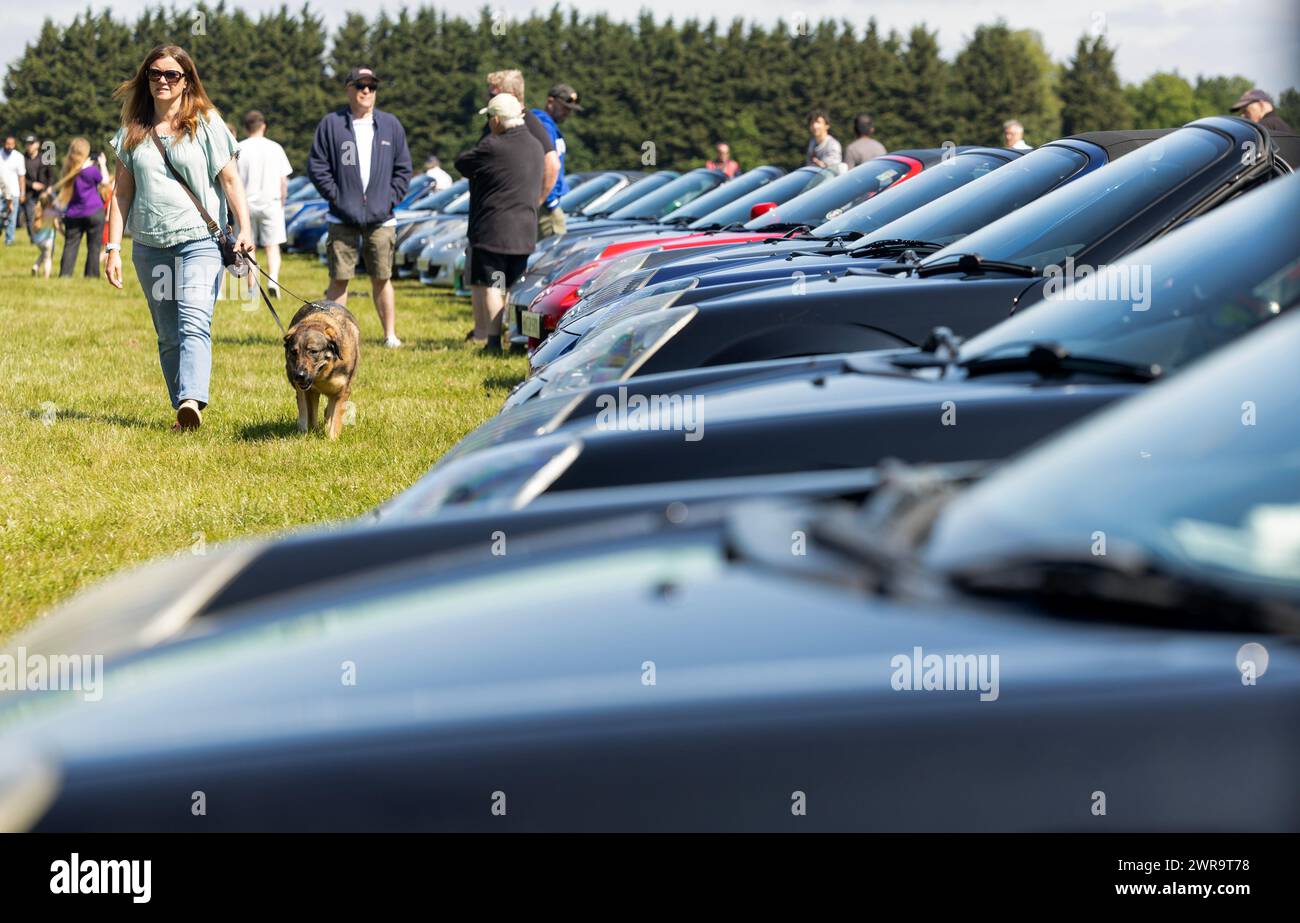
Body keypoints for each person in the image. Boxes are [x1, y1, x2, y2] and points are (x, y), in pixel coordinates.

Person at [104, 43, 254, 432]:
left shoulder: (206, 123)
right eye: (155, 74)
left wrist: (246, 228)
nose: (163, 81)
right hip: (150, 246)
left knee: (193, 320)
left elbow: (231, 180)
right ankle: (183, 411)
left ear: (187, 81)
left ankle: (192, 399)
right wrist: (112, 248)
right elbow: (121, 194)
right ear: (146, 79)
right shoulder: (132, 132)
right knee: (169, 335)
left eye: (172, 75)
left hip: (198, 241)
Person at [308, 66, 413, 348]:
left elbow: (403, 170)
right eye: (360, 85)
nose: (367, 91)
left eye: (372, 86)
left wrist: (388, 200)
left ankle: (390, 335)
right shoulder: (332, 124)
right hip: (341, 217)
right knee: (340, 278)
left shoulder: (391, 125)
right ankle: (334, 335)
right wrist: (338, 198)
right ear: (349, 89)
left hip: (382, 218)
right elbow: (317, 167)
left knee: (382, 277)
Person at [455, 92, 544, 354]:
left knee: (494, 285)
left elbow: (461, 162)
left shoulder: (493, 146)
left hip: (493, 230)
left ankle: (493, 341)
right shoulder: (536, 146)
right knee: (515, 287)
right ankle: (518, 340)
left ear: (496, 119)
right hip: (525, 231)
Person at [237, 109, 293, 298]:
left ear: (246, 128)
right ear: (264, 126)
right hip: (271, 203)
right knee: (272, 245)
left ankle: (252, 287)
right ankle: (273, 279)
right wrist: (282, 202)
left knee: (248, 246)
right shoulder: (275, 148)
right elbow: (283, 180)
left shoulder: (239, 148)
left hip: (245, 204)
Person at [485, 69, 558, 208]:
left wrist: (538, 201)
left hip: (519, 213)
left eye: (492, 95)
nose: (488, 99)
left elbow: (552, 164)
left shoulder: (528, 122)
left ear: (511, 96)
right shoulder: (496, 120)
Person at [532, 82, 582, 238]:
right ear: (550, 102)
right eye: (564, 108)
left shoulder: (549, 127)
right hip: (547, 206)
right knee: (554, 257)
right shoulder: (544, 127)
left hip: (546, 203)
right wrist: (549, 201)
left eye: (570, 110)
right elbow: (547, 165)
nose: (567, 113)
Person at [56, 138, 111, 277]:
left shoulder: (67, 170)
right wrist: (103, 164)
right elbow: (105, 182)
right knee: (94, 246)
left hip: (73, 213)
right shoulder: (91, 171)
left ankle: (65, 274)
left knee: (70, 245)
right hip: (94, 211)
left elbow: (75, 173)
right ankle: (91, 275)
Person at [21, 135, 54, 243]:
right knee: (30, 217)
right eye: (27, 143)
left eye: (31, 143)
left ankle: (46, 238)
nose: (28, 146)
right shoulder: (22, 159)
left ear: (37, 145)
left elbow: (50, 175)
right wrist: (31, 184)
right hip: (29, 193)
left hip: (44, 193)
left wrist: (49, 187)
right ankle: (33, 240)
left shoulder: (44, 158)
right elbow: (20, 178)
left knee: (47, 216)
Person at [1230, 88, 1294, 133]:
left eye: (1245, 111)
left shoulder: (1263, 127)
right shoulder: (1282, 125)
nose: (1242, 115)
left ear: (1261, 105)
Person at [0, 135, 24, 245]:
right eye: (7, 144)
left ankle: (9, 241)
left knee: (11, 217)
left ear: (14, 145)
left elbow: (21, 176)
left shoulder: (18, 157)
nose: (9, 146)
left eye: (11, 144)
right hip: (1, 191)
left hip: (14, 191)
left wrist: (22, 192)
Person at [30, 194, 58, 277]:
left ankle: (35, 266)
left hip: (38, 241)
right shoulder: (52, 213)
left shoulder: (37, 211)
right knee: (48, 259)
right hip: (48, 240)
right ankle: (46, 277)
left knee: (44, 254)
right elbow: (56, 226)